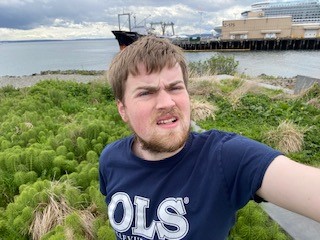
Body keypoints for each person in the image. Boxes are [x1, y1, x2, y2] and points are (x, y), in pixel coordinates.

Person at [99, 36, 320, 240]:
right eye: (146, 92)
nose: (167, 102)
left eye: (175, 87)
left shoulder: (225, 158)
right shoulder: (110, 160)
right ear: (123, 109)